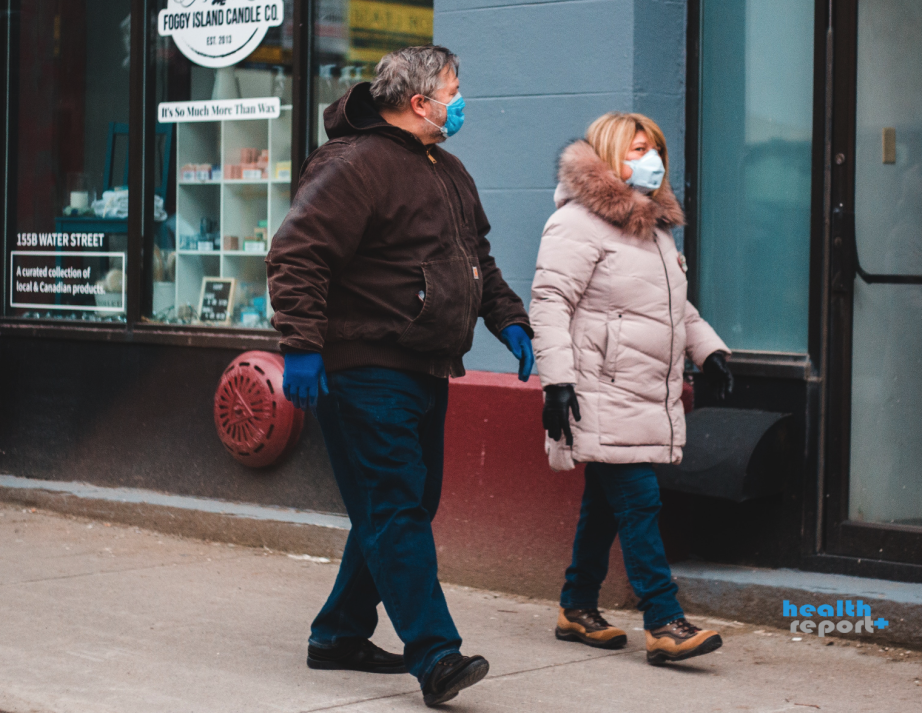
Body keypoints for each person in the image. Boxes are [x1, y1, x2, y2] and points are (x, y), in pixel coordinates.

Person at [266, 45, 534, 706]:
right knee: (394, 504)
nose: (461, 98)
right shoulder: (353, 164)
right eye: (454, 87)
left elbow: (478, 260)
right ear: (420, 102)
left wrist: (511, 321)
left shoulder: (446, 168)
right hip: (363, 367)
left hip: (424, 366)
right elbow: (297, 254)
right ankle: (435, 653)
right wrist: (299, 347)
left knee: (405, 504)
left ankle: (338, 632)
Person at [529, 112, 734, 665]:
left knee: (605, 503)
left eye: (657, 150)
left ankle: (576, 606)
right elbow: (550, 304)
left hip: (642, 389)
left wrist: (707, 349)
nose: (652, 160)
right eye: (637, 149)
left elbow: (673, 307)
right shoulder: (577, 223)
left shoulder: (655, 228)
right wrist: (558, 384)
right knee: (638, 499)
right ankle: (664, 620)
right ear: (606, 157)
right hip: (599, 387)